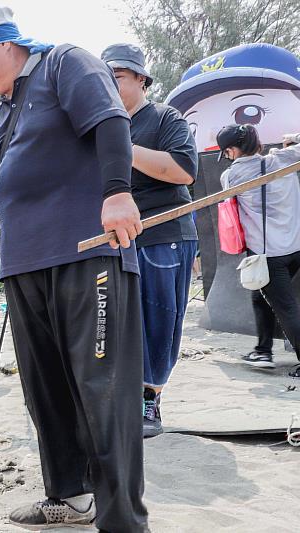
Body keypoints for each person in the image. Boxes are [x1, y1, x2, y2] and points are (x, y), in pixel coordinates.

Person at [0, 7, 148, 531]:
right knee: (46, 389)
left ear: (3, 44)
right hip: (24, 267)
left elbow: (110, 120)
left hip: (88, 255)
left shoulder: (64, 64)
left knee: (102, 389)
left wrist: (117, 192)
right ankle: (69, 496)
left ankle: (123, 520)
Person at [102, 43, 199, 438]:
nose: (110, 84)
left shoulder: (163, 118)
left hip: (164, 235)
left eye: (118, 76)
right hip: (116, 239)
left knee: (159, 318)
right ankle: (122, 396)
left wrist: (123, 148)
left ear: (141, 78)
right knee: (121, 321)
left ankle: (149, 399)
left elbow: (184, 171)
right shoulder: (103, 126)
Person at [218, 125, 300, 378]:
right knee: (259, 293)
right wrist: (294, 139)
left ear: (232, 150)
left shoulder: (231, 177)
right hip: (295, 246)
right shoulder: (284, 158)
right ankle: (263, 350)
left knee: (286, 308)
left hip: (267, 255)